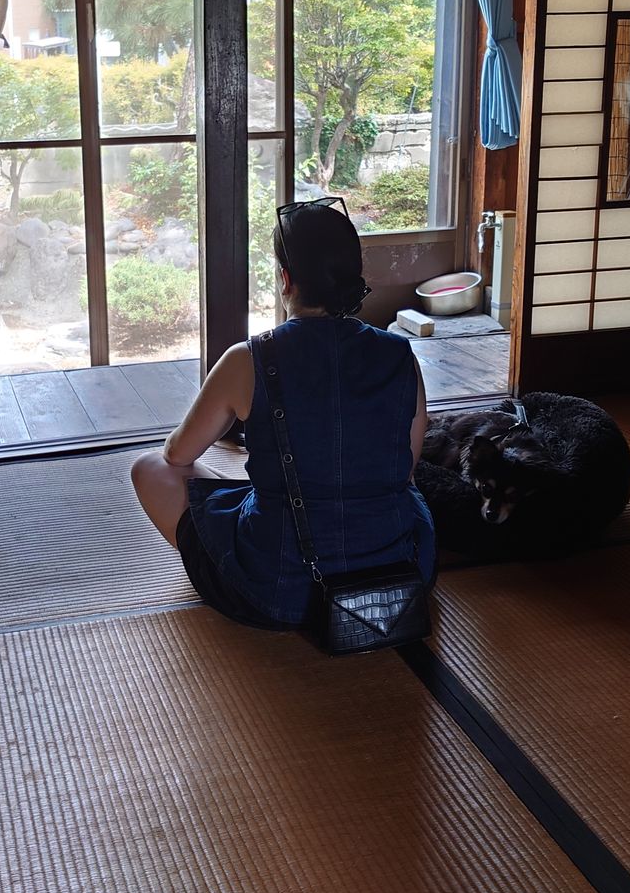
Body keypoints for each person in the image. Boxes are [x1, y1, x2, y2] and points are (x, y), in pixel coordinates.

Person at [130, 197, 433, 630]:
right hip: (397, 583)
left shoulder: (250, 358)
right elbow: (405, 471)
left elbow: (177, 456)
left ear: (286, 279)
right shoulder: (399, 354)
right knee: (407, 495)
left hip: (278, 589)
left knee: (148, 469)